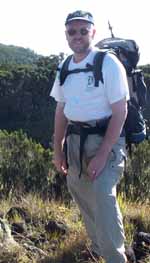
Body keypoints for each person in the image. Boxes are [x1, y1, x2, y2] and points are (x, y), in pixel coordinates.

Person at [50, 10, 129, 263]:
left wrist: (103, 153)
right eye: (72, 31)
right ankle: (99, 248)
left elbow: (120, 111)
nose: (77, 36)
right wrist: (58, 149)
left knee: (104, 197)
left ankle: (116, 257)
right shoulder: (65, 66)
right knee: (81, 194)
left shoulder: (107, 63)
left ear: (93, 32)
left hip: (105, 139)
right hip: (75, 140)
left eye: (83, 31)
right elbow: (61, 110)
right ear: (66, 34)